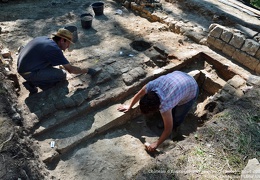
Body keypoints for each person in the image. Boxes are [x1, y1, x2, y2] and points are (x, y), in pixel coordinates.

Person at [117, 71, 199, 152]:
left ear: (157, 108)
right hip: (180, 77)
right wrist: (129, 106)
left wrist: (157, 143)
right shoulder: (151, 86)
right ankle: (168, 119)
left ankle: (176, 125)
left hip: (191, 89)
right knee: (172, 107)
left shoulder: (165, 106)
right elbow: (139, 94)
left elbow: (168, 129)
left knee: (178, 115)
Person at [17, 28, 99, 95]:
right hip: (28, 72)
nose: (68, 47)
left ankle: (35, 79)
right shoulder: (54, 49)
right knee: (62, 74)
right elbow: (71, 70)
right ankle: (33, 83)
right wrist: (87, 70)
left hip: (23, 64)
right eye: (68, 43)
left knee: (53, 66)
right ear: (62, 40)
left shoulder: (46, 39)